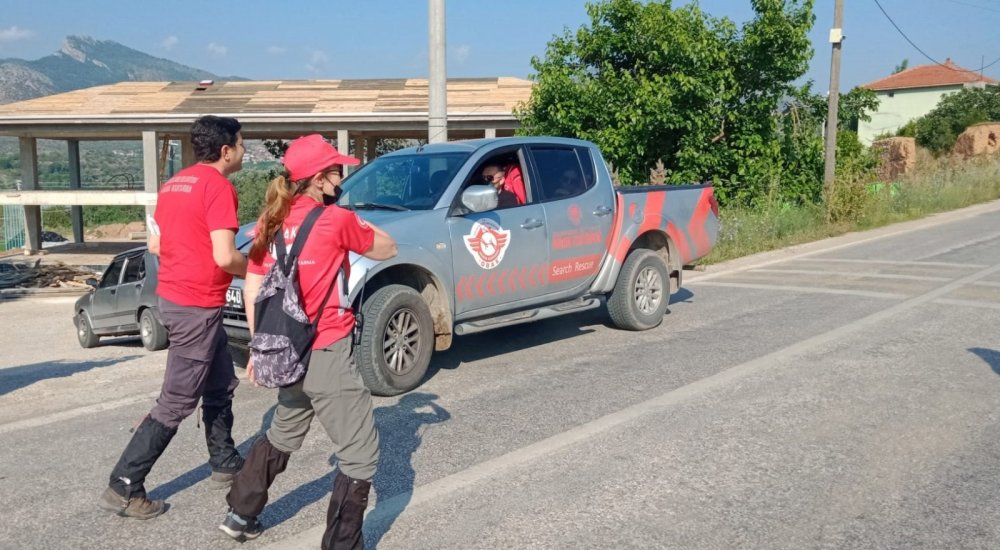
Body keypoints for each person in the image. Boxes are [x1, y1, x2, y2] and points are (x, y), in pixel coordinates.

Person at [219, 134, 397, 547]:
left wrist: (258, 349)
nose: (342, 178)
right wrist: (352, 216)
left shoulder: (270, 220)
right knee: (360, 452)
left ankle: (240, 514)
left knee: (284, 430)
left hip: (283, 348)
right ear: (319, 179)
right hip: (326, 349)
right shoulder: (336, 220)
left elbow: (253, 287)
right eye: (337, 172)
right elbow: (388, 248)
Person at [98, 115, 249, 519]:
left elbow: (156, 244)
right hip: (196, 307)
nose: (245, 150)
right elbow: (226, 256)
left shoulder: (173, 184)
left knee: (219, 383)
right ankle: (124, 485)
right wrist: (257, 269)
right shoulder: (218, 187)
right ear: (225, 150)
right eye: (242, 143)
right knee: (176, 401)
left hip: (180, 299)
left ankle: (224, 461)